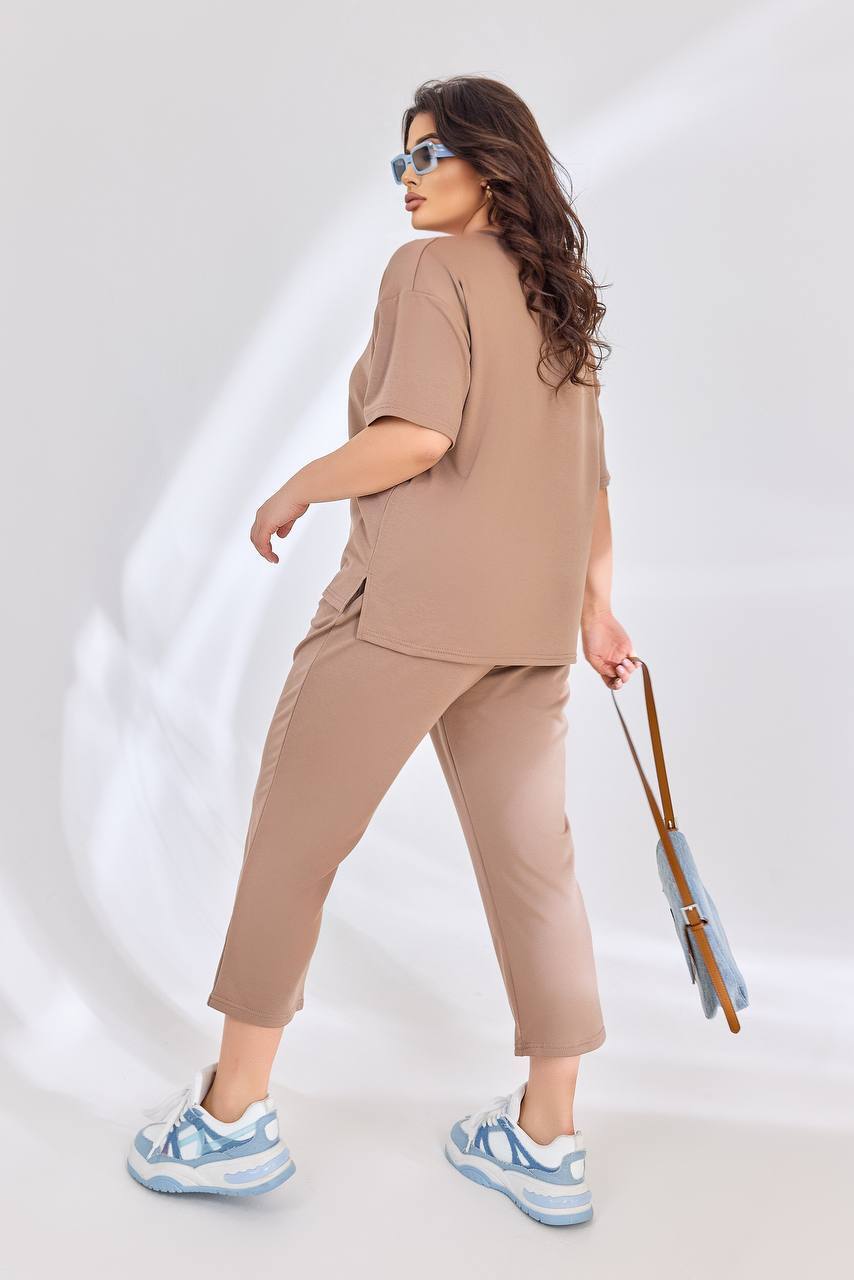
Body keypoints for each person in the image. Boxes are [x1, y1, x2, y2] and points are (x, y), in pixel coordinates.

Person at [126, 75, 640, 1225]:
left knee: (292, 842)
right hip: (526, 630)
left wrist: (297, 484)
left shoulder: (428, 270)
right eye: (399, 160)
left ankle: (228, 1118)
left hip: (404, 611)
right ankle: (546, 1136)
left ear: (488, 163)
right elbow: (589, 481)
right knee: (535, 871)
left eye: (425, 155)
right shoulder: (558, 301)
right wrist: (593, 611)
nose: (405, 180)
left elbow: (417, 435)